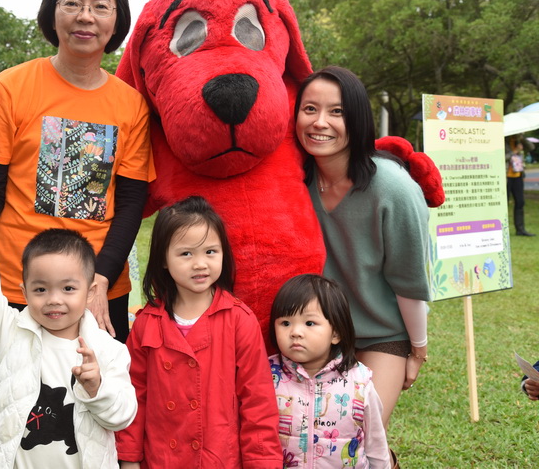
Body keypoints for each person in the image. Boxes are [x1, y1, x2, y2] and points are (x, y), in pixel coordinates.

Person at [0, 0, 155, 383]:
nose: (85, 16)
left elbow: (132, 203)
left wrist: (100, 279)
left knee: (99, 399)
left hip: (97, 280)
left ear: (116, 22)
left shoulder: (130, 104)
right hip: (20, 281)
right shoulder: (9, 88)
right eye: (72, 2)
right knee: (18, 398)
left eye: (100, 6)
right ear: (52, 12)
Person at [0, 173, 137, 468]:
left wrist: (96, 387)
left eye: (68, 288)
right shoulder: (11, 333)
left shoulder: (108, 350)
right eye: (41, 289)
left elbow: (121, 417)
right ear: (24, 292)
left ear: (90, 292)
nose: (54, 299)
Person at [294, 67, 429, 443]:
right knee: (311, 442)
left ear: (358, 118)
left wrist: (416, 350)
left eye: (336, 112)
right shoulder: (294, 181)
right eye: (309, 109)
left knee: (361, 436)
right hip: (316, 333)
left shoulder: (393, 189)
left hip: (381, 335)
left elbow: (409, 280)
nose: (320, 122)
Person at [116, 196, 282, 468]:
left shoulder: (240, 320)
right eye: (186, 253)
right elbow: (134, 396)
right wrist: (129, 459)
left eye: (210, 252)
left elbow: (258, 404)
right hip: (162, 459)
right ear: (163, 260)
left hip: (220, 459)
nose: (200, 264)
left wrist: (262, 463)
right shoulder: (147, 322)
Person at [269, 274, 390, 469]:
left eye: (309, 323)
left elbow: (376, 444)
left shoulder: (359, 381)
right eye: (285, 323)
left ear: (336, 333)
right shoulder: (266, 376)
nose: (295, 332)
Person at [506, 134, 535, 236]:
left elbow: (531, 147)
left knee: (520, 202)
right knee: (504, 203)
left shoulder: (519, 141)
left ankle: (520, 229)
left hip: (518, 176)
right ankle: (500, 230)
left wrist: (522, 139)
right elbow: (502, 157)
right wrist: (514, 152)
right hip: (506, 177)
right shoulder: (504, 141)